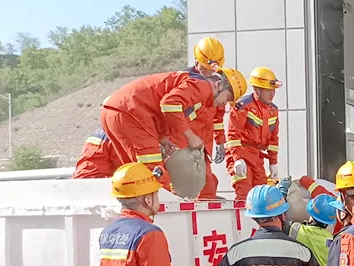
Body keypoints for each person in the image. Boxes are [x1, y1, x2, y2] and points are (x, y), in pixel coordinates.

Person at [100, 69, 232, 188]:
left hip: (116, 111)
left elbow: (160, 107)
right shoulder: (203, 87)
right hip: (132, 113)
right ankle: (162, 205)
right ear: (219, 85)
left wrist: (163, 139)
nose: (226, 103)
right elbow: (169, 105)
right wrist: (191, 136)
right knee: (153, 174)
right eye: (228, 97)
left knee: (135, 173)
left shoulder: (196, 86)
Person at [167, 67, 247, 199]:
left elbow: (217, 121)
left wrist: (220, 142)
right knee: (181, 187)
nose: (225, 103)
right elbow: (174, 115)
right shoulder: (195, 90)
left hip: (201, 149)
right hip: (183, 147)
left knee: (208, 186)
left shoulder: (214, 100)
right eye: (227, 98)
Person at [226, 67, 282, 202]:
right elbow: (233, 135)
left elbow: (273, 140)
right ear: (257, 90)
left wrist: (273, 162)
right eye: (268, 90)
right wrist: (237, 158)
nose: (272, 94)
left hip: (257, 157)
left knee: (260, 196)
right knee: (244, 195)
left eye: (273, 90)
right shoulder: (242, 106)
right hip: (241, 154)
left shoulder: (273, 110)